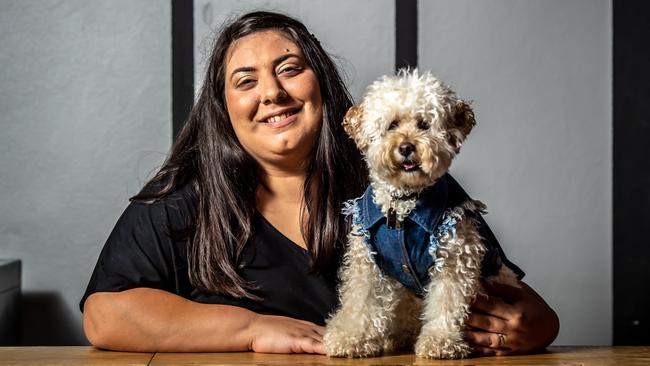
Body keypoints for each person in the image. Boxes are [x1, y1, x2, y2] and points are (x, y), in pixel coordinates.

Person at [80, 11, 559, 356]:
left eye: (290, 69)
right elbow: (105, 316)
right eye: (245, 82)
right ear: (222, 109)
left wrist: (536, 326)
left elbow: (516, 299)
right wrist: (250, 329)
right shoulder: (182, 202)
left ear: (322, 85)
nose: (272, 92)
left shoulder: (403, 184)